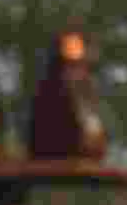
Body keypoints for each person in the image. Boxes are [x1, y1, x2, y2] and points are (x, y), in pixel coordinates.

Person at [28, 30, 109, 160]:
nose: (78, 73)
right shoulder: (48, 105)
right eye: (70, 66)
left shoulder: (89, 104)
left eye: (83, 66)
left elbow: (96, 144)